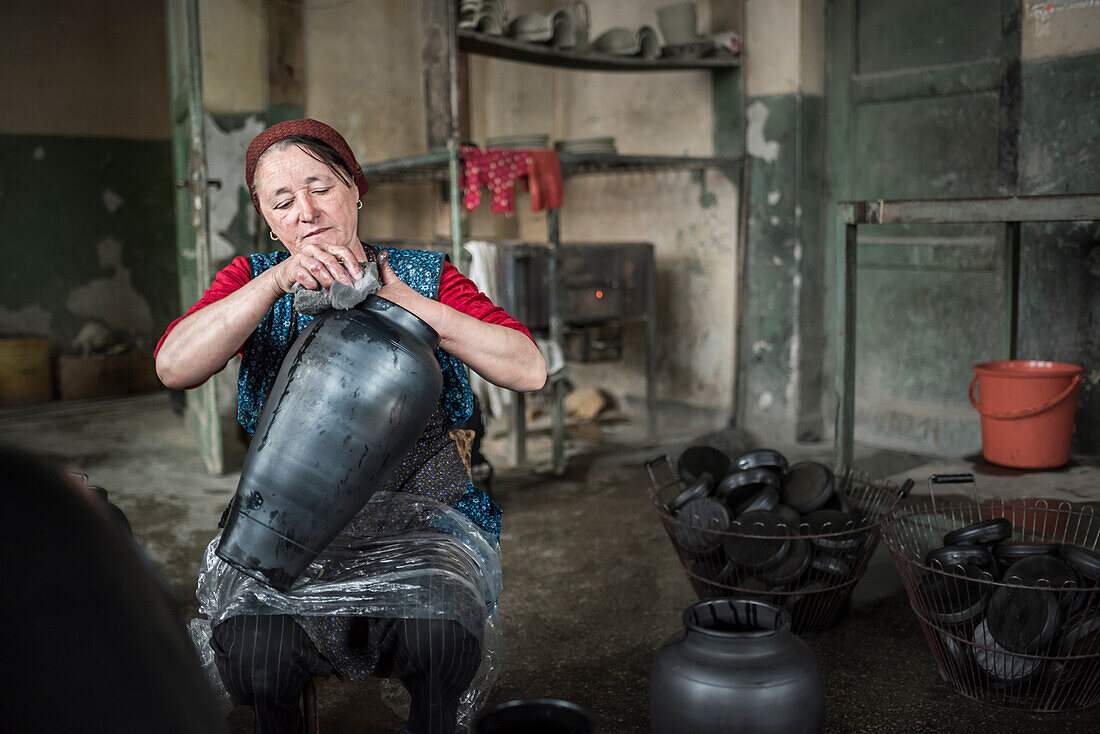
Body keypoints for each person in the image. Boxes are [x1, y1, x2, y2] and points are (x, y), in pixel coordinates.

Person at [155, 119, 546, 734]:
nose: (306, 213)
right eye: (282, 202)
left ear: (355, 190)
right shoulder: (254, 278)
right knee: (256, 654)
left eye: (321, 188)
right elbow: (174, 365)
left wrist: (399, 300)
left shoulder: (423, 274)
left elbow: (527, 369)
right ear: (267, 217)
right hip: (284, 532)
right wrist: (276, 282)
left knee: (441, 645)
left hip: (418, 526)